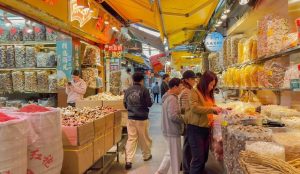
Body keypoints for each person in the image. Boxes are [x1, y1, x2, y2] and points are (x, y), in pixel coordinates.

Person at [185, 71, 222, 174]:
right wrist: (212, 109)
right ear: (205, 82)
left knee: (204, 157)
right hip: (195, 129)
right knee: (198, 159)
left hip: (206, 128)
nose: (211, 87)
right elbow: (195, 108)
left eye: (213, 85)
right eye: (210, 84)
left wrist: (219, 108)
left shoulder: (208, 93)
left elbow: (210, 106)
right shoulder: (195, 91)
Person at [123, 72, 153, 170]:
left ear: (133, 79)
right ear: (142, 80)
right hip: (142, 118)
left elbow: (125, 104)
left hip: (131, 118)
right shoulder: (144, 90)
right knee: (143, 138)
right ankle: (146, 155)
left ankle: (128, 160)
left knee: (131, 139)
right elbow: (149, 104)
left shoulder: (127, 90)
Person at [155, 78, 184, 174]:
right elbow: (173, 116)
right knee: (175, 156)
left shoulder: (167, 96)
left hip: (167, 129)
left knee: (170, 153)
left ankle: (160, 172)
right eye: (181, 86)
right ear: (175, 87)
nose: (182, 88)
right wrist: (185, 119)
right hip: (172, 130)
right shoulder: (172, 98)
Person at [179, 70, 197, 174]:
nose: (194, 81)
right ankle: (186, 168)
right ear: (187, 80)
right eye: (193, 79)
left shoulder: (186, 90)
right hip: (187, 122)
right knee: (187, 146)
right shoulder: (186, 92)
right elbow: (186, 109)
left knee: (187, 145)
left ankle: (186, 166)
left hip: (187, 121)